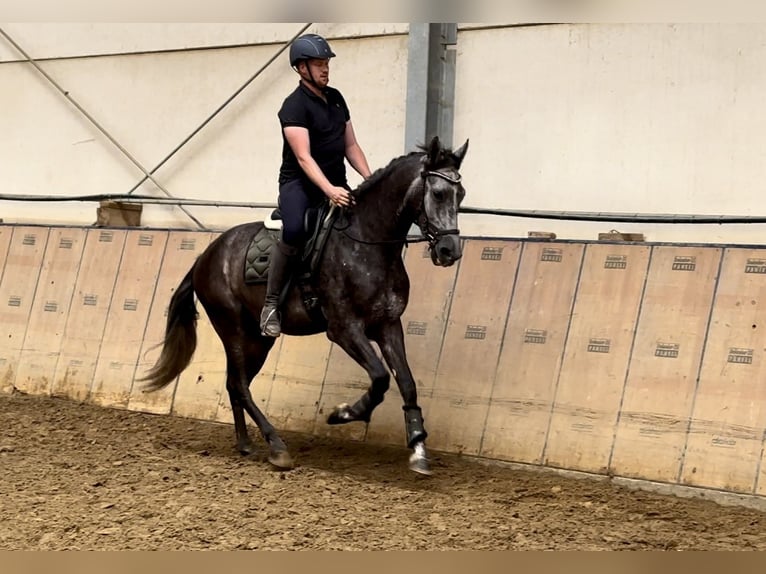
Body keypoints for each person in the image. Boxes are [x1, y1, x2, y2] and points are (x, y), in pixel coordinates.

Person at [260, 33, 372, 338]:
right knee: (295, 228)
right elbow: (304, 158)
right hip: (300, 184)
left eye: (326, 63)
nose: (325, 69)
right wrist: (330, 191)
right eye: (319, 64)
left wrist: (370, 178)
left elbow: (351, 146)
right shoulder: (294, 106)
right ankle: (271, 304)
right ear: (301, 68)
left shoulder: (336, 98)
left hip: (336, 182)